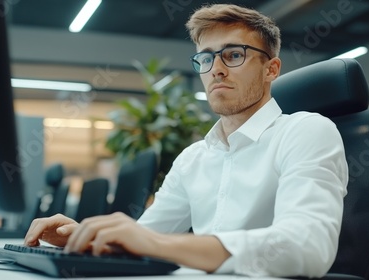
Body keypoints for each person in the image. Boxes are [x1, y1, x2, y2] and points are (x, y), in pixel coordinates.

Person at [24, 3, 348, 278]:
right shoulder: (193, 157)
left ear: (271, 69)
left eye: (233, 55)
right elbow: (147, 236)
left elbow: (309, 246)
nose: (216, 70)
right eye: (206, 59)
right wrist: (81, 236)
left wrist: (157, 245)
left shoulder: (306, 132)